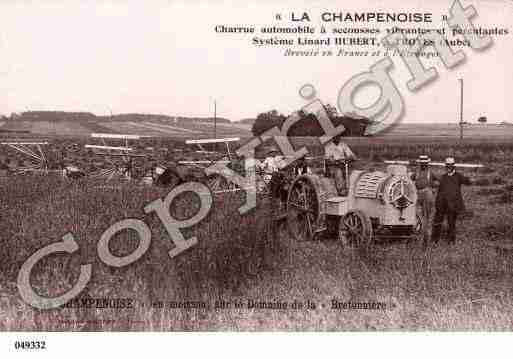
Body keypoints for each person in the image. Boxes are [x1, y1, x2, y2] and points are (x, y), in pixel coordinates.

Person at [431, 157, 471, 244]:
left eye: (450, 166)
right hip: (442, 205)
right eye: (447, 166)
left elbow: (468, 182)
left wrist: (469, 178)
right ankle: (434, 240)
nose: (448, 167)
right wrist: (438, 203)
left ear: (453, 166)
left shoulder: (458, 176)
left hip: (453, 205)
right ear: (445, 166)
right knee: (437, 222)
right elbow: (440, 191)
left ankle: (451, 241)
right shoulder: (443, 177)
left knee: (451, 223)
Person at [410, 155, 438, 241]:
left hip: (427, 193)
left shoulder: (431, 173)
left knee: (428, 215)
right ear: (420, 164)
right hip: (418, 194)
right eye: (422, 164)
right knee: (417, 214)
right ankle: (418, 232)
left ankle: (427, 234)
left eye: (425, 164)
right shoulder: (416, 172)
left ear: (427, 164)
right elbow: (410, 180)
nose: (424, 165)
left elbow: (437, 182)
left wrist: (433, 189)